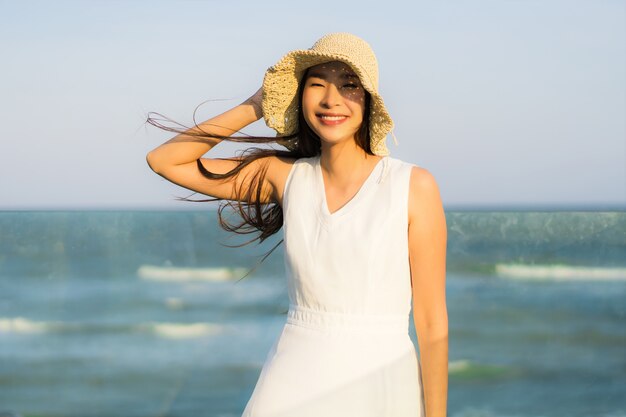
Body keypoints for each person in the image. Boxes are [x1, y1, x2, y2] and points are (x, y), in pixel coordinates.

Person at [146, 32, 448, 417]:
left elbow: (431, 322)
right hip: (293, 378)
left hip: (382, 379)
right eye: (317, 84)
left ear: (369, 99)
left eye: (348, 85)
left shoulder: (413, 186)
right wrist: (256, 104)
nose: (331, 100)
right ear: (300, 96)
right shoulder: (284, 176)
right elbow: (166, 160)